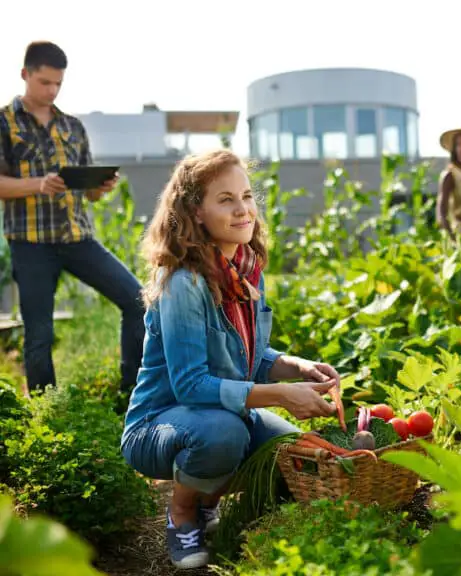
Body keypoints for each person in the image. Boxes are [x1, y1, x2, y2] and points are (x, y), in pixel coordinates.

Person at [120, 149, 342, 570]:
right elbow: (191, 386)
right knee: (224, 434)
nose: (243, 210)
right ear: (196, 212)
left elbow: (248, 357)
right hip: (159, 424)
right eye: (225, 200)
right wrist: (280, 395)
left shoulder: (244, 272)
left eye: (246, 196)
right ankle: (183, 512)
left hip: (219, 413)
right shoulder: (183, 284)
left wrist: (296, 367)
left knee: (292, 451)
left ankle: (209, 498)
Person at [0, 41, 145, 394]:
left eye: (57, 84)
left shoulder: (72, 126)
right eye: (44, 82)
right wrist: (38, 184)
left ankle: (132, 393)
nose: (51, 91)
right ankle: (44, 411)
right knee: (39, 335)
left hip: (78, 239)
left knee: (139, 300)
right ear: (25, 75)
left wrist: (100, 186)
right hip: (30, 243)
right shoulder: (4, 123)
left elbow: (89, 193)